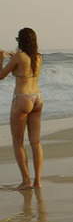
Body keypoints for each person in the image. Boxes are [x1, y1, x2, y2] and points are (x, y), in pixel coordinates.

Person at [0, 28, 44, 190]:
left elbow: (0, 76)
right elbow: (24, 67)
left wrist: (0, 58)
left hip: (22, 99)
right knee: (35, 142)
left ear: (21, 41)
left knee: (18, 142)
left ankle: (26, 180)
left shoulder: (19, 57)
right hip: (37, 98)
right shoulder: (38, 58)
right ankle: (38, 181)